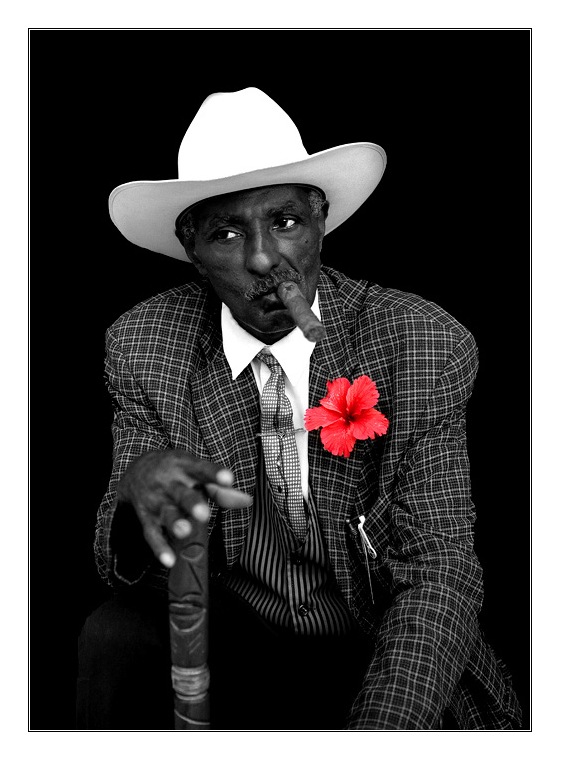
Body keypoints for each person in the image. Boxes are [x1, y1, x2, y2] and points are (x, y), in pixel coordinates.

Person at [78, 87, 522, 730]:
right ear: (193, 252)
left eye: (285, 222)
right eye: (226, 233)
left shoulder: (419, 341)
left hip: (375, 642)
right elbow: (128, 568)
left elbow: (440, 572)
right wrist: (132, 495)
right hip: (242, 643)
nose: (263, 258)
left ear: (320, 224)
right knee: (113, 635)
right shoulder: (146, 343)